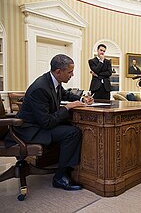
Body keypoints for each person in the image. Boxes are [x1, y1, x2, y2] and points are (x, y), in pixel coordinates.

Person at [5, 54, 93, 190]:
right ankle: (60, 177)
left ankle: (67, 169)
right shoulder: (40, 87)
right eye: (70, 72)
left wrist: (82, 99)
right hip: (29, 131)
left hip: (38, 125)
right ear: (58, 72)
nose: (72, 75)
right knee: (72, 132)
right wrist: (67, 107)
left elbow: (65, 94)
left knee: (69, 127)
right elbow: (47, 123)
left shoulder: (52, 81)